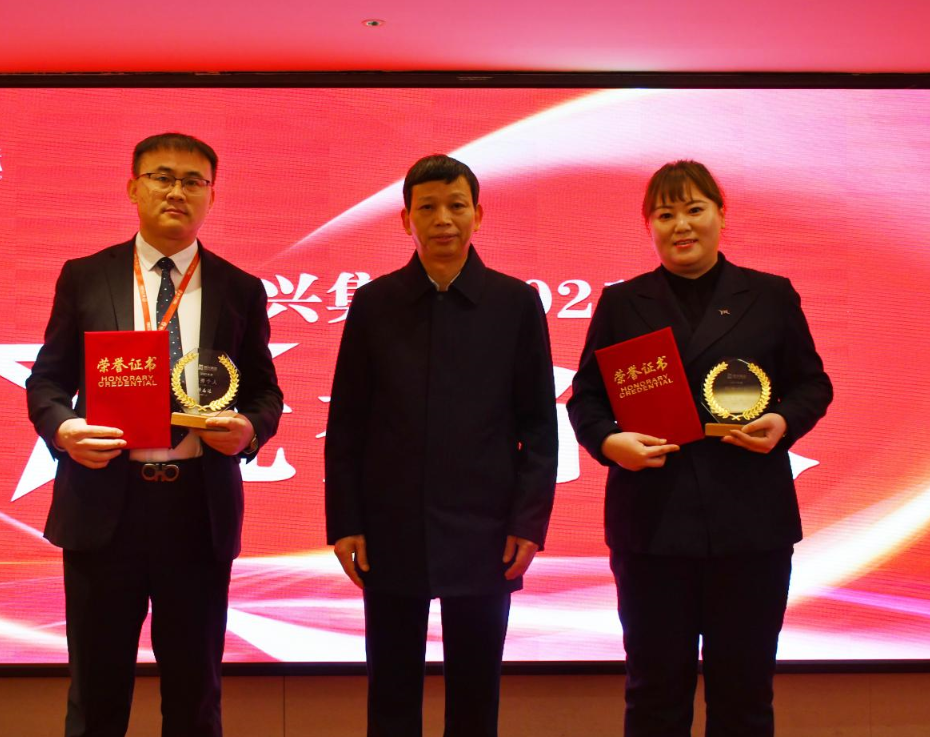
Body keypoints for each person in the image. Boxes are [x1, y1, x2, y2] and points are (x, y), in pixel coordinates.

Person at [26, 132, 283, 737]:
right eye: (162, 177)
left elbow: (265, 393)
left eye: (193, 182)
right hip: (103, 505)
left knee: (195, 695)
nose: (177, 192)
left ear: (212, 196)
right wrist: (64, 429)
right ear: (133, 188)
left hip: (196, 509)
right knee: (96, 693)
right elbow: (47, 381)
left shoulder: (239, 288)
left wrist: (249, 428)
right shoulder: (86, 277)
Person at [567, 160, 833, 737]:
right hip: (651, 525)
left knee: (744, 697)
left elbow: (813, 384)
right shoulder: (622, 302)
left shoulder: (769, 295)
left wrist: (782, 421)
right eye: (665, 215)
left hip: (750, 524)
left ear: (720, 214)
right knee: (654, 696)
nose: (681, 225)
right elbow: (585, 398)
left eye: (694, 209)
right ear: (649, 226)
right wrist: (611, 442)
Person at [324, 154, 558, 737]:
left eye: (456, 206)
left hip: (486, 529)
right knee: (391, 694)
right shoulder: (374, 304)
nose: (443, 220)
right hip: (390, 527)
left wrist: (528, 523)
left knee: (476, 697)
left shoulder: (514, 303)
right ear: (406, 219)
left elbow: (539, 425)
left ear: (479, 214)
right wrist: (346, 522)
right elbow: (347, 424)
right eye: (427, 208)